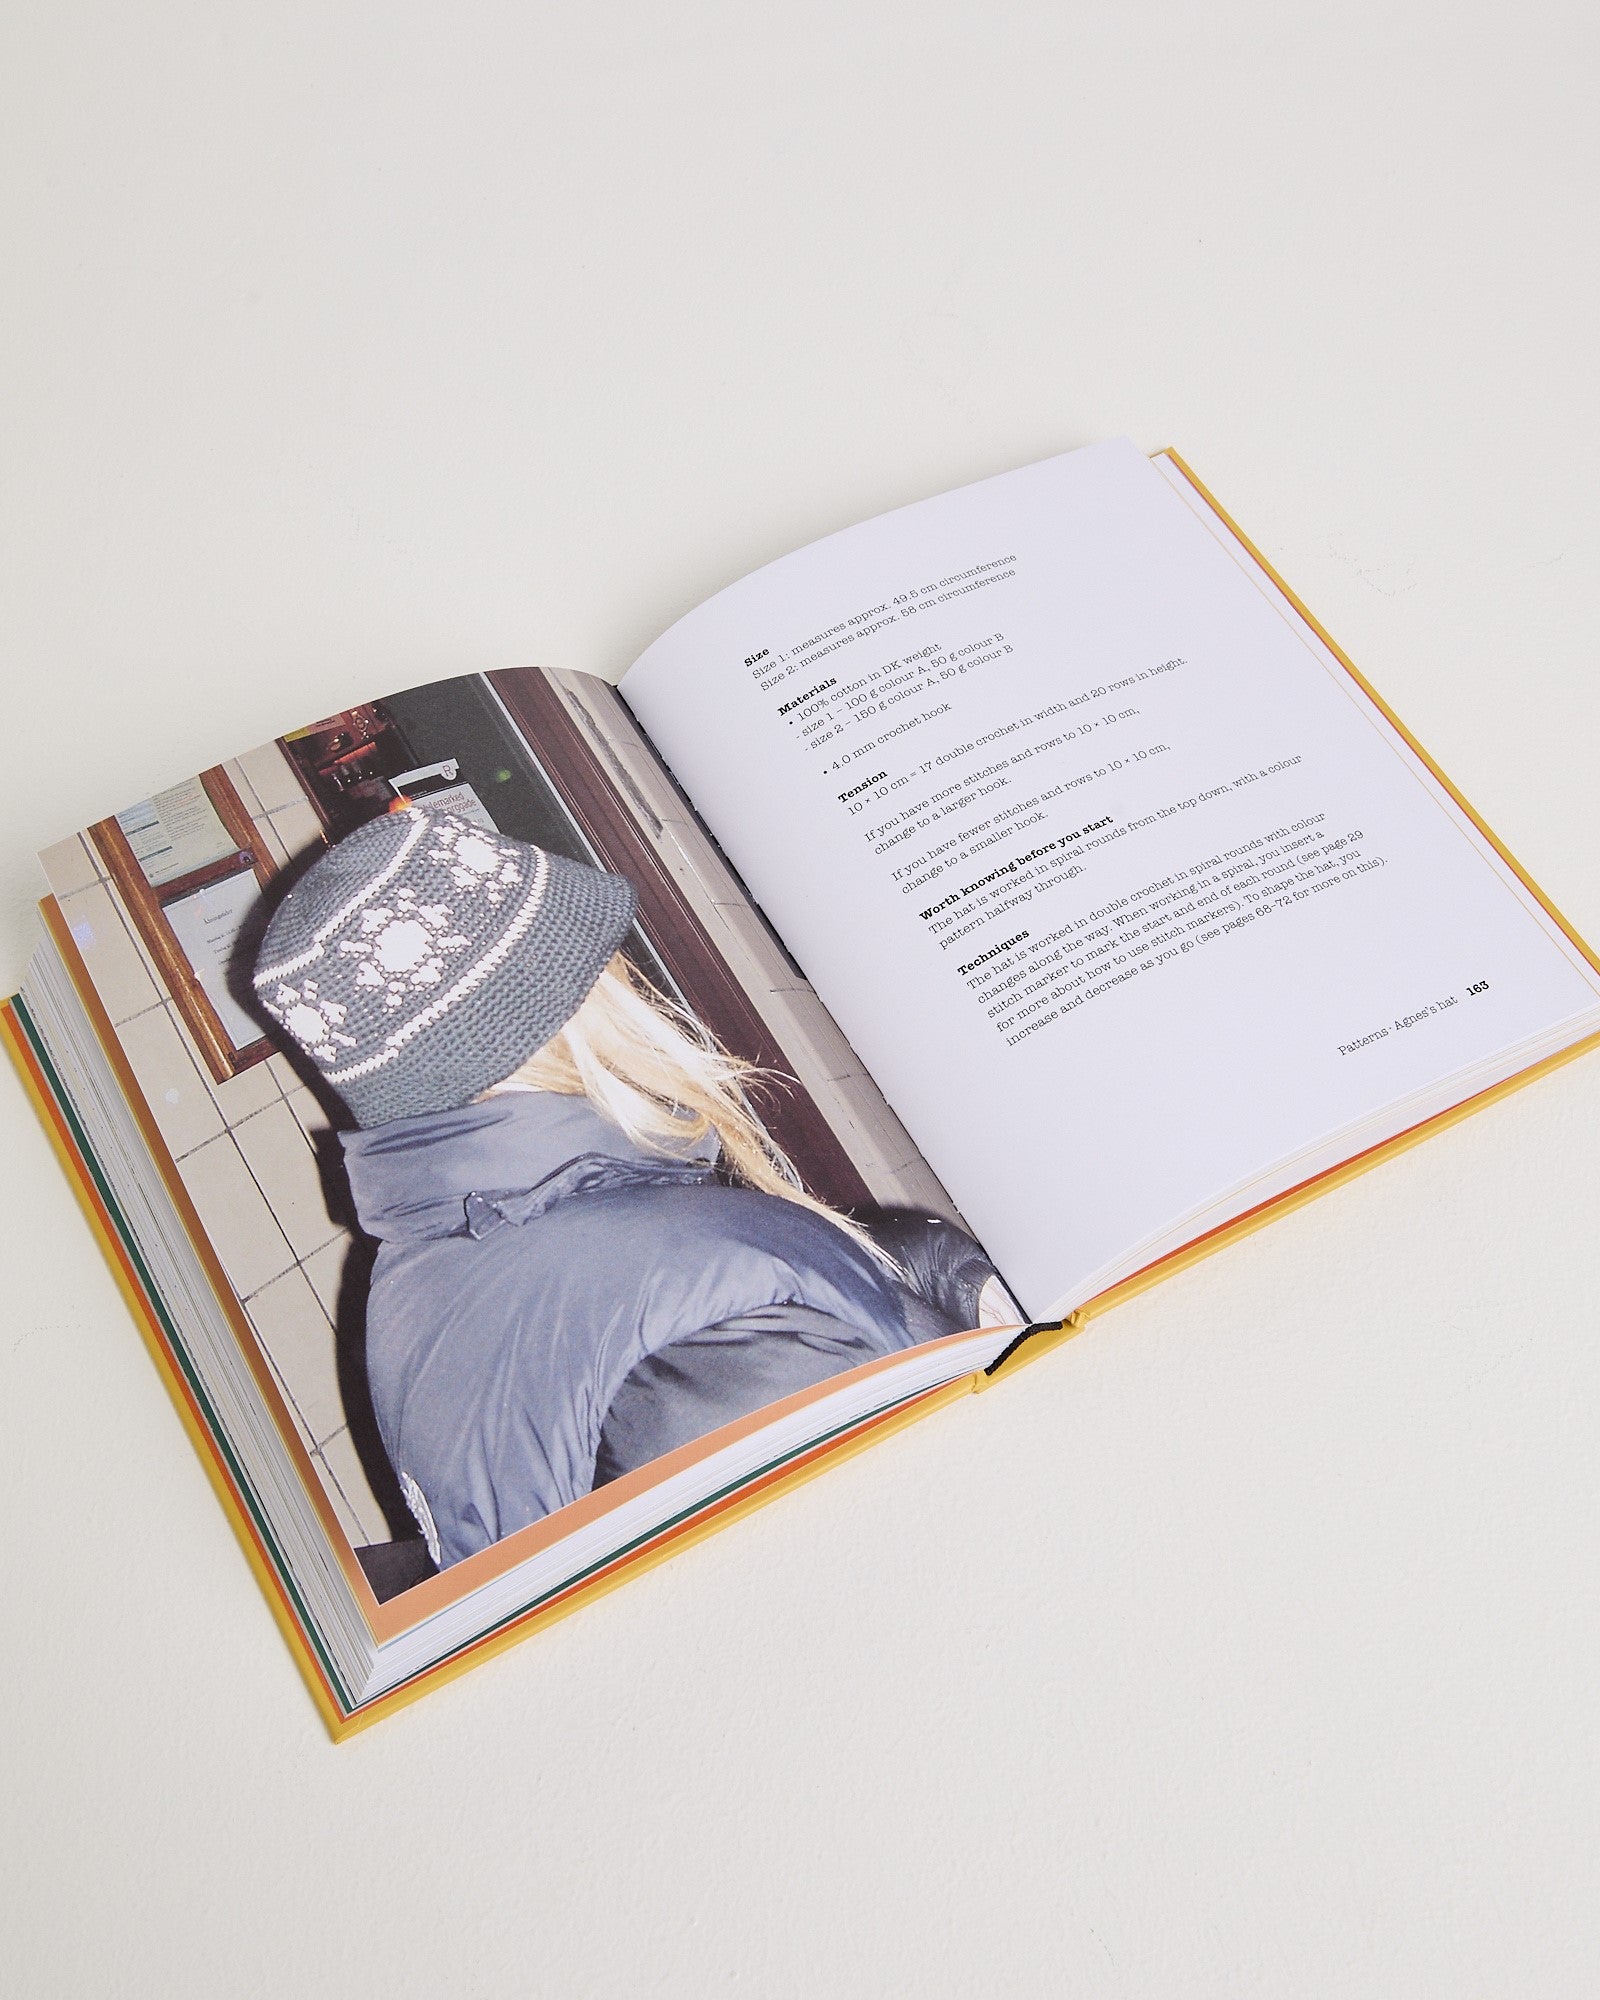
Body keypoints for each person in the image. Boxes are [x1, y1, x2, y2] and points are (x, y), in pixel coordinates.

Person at [252, 808, 1003, 1569]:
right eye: (603, 958)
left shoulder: (418, 1277)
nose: (632, 978)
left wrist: (927, 1270)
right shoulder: (701, 1331)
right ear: (554, 1010)